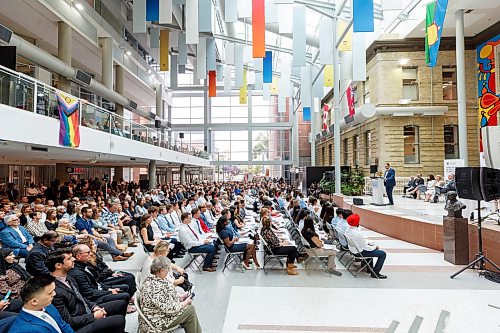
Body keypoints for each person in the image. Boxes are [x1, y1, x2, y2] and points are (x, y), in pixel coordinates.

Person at [47, 249, 127, 332]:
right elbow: (68, 321)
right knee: (118, 320)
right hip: (78, 324)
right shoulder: (53, 289)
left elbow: (80, 297)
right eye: (69, 258)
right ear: (59, 265)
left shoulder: (68, 277)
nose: (73, 259)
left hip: (86, 310)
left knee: (121, 304)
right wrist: (93, 316)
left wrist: (93, 307)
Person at [139, 257, 202, 333]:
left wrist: (180, 298)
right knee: (190, 310)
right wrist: (185, 303)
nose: (168, 272)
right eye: (168, 270)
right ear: (161, 271)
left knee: (188, 307)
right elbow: (171, 309)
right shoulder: (156, 288)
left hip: (158, 313)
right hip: (157, 321)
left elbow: (166, 297)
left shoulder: (152, 279)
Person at [7, 275, 76, 333]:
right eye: (50, 293)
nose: (54, 294)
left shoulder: (49, 306)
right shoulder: (24, 330)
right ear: (34, 301)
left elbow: (63, 325)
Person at [343, 214, 387, 279]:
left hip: (353, 250)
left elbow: (360, 242)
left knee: (371, 249)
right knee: (382, 254)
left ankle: (369, 268)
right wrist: (374, 247)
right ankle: (375, 273)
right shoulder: (357, 233)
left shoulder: (347, 229)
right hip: (360, 252)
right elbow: (365, 247)